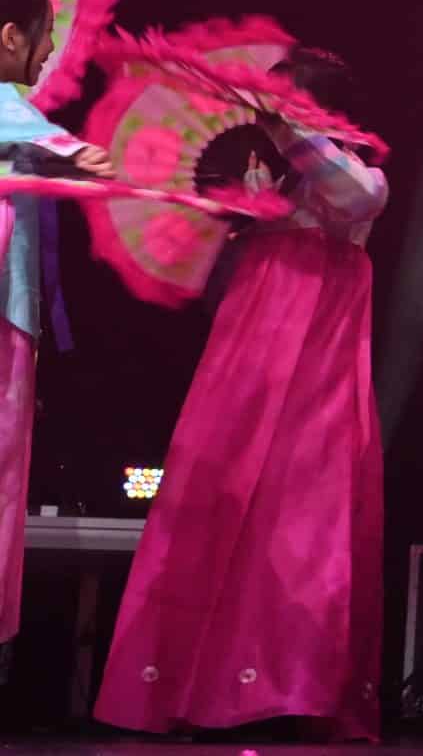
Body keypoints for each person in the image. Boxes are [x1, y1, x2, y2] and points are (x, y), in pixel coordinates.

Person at [95, 45, 388, 740]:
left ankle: (292, 687)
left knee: (304, 510)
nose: (266, 111)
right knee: (219, 494)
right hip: (250, 352)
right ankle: (197, 686)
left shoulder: (361, 176)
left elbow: (353, 197)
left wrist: (290, 129)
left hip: (317, 360)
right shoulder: (267, 182)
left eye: (284, 99)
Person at [0, 0, 105, 665]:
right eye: (43, 38)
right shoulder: (10, 111)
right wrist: (79, 153)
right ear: (11, 36)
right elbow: (21, 123)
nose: (47, 54)